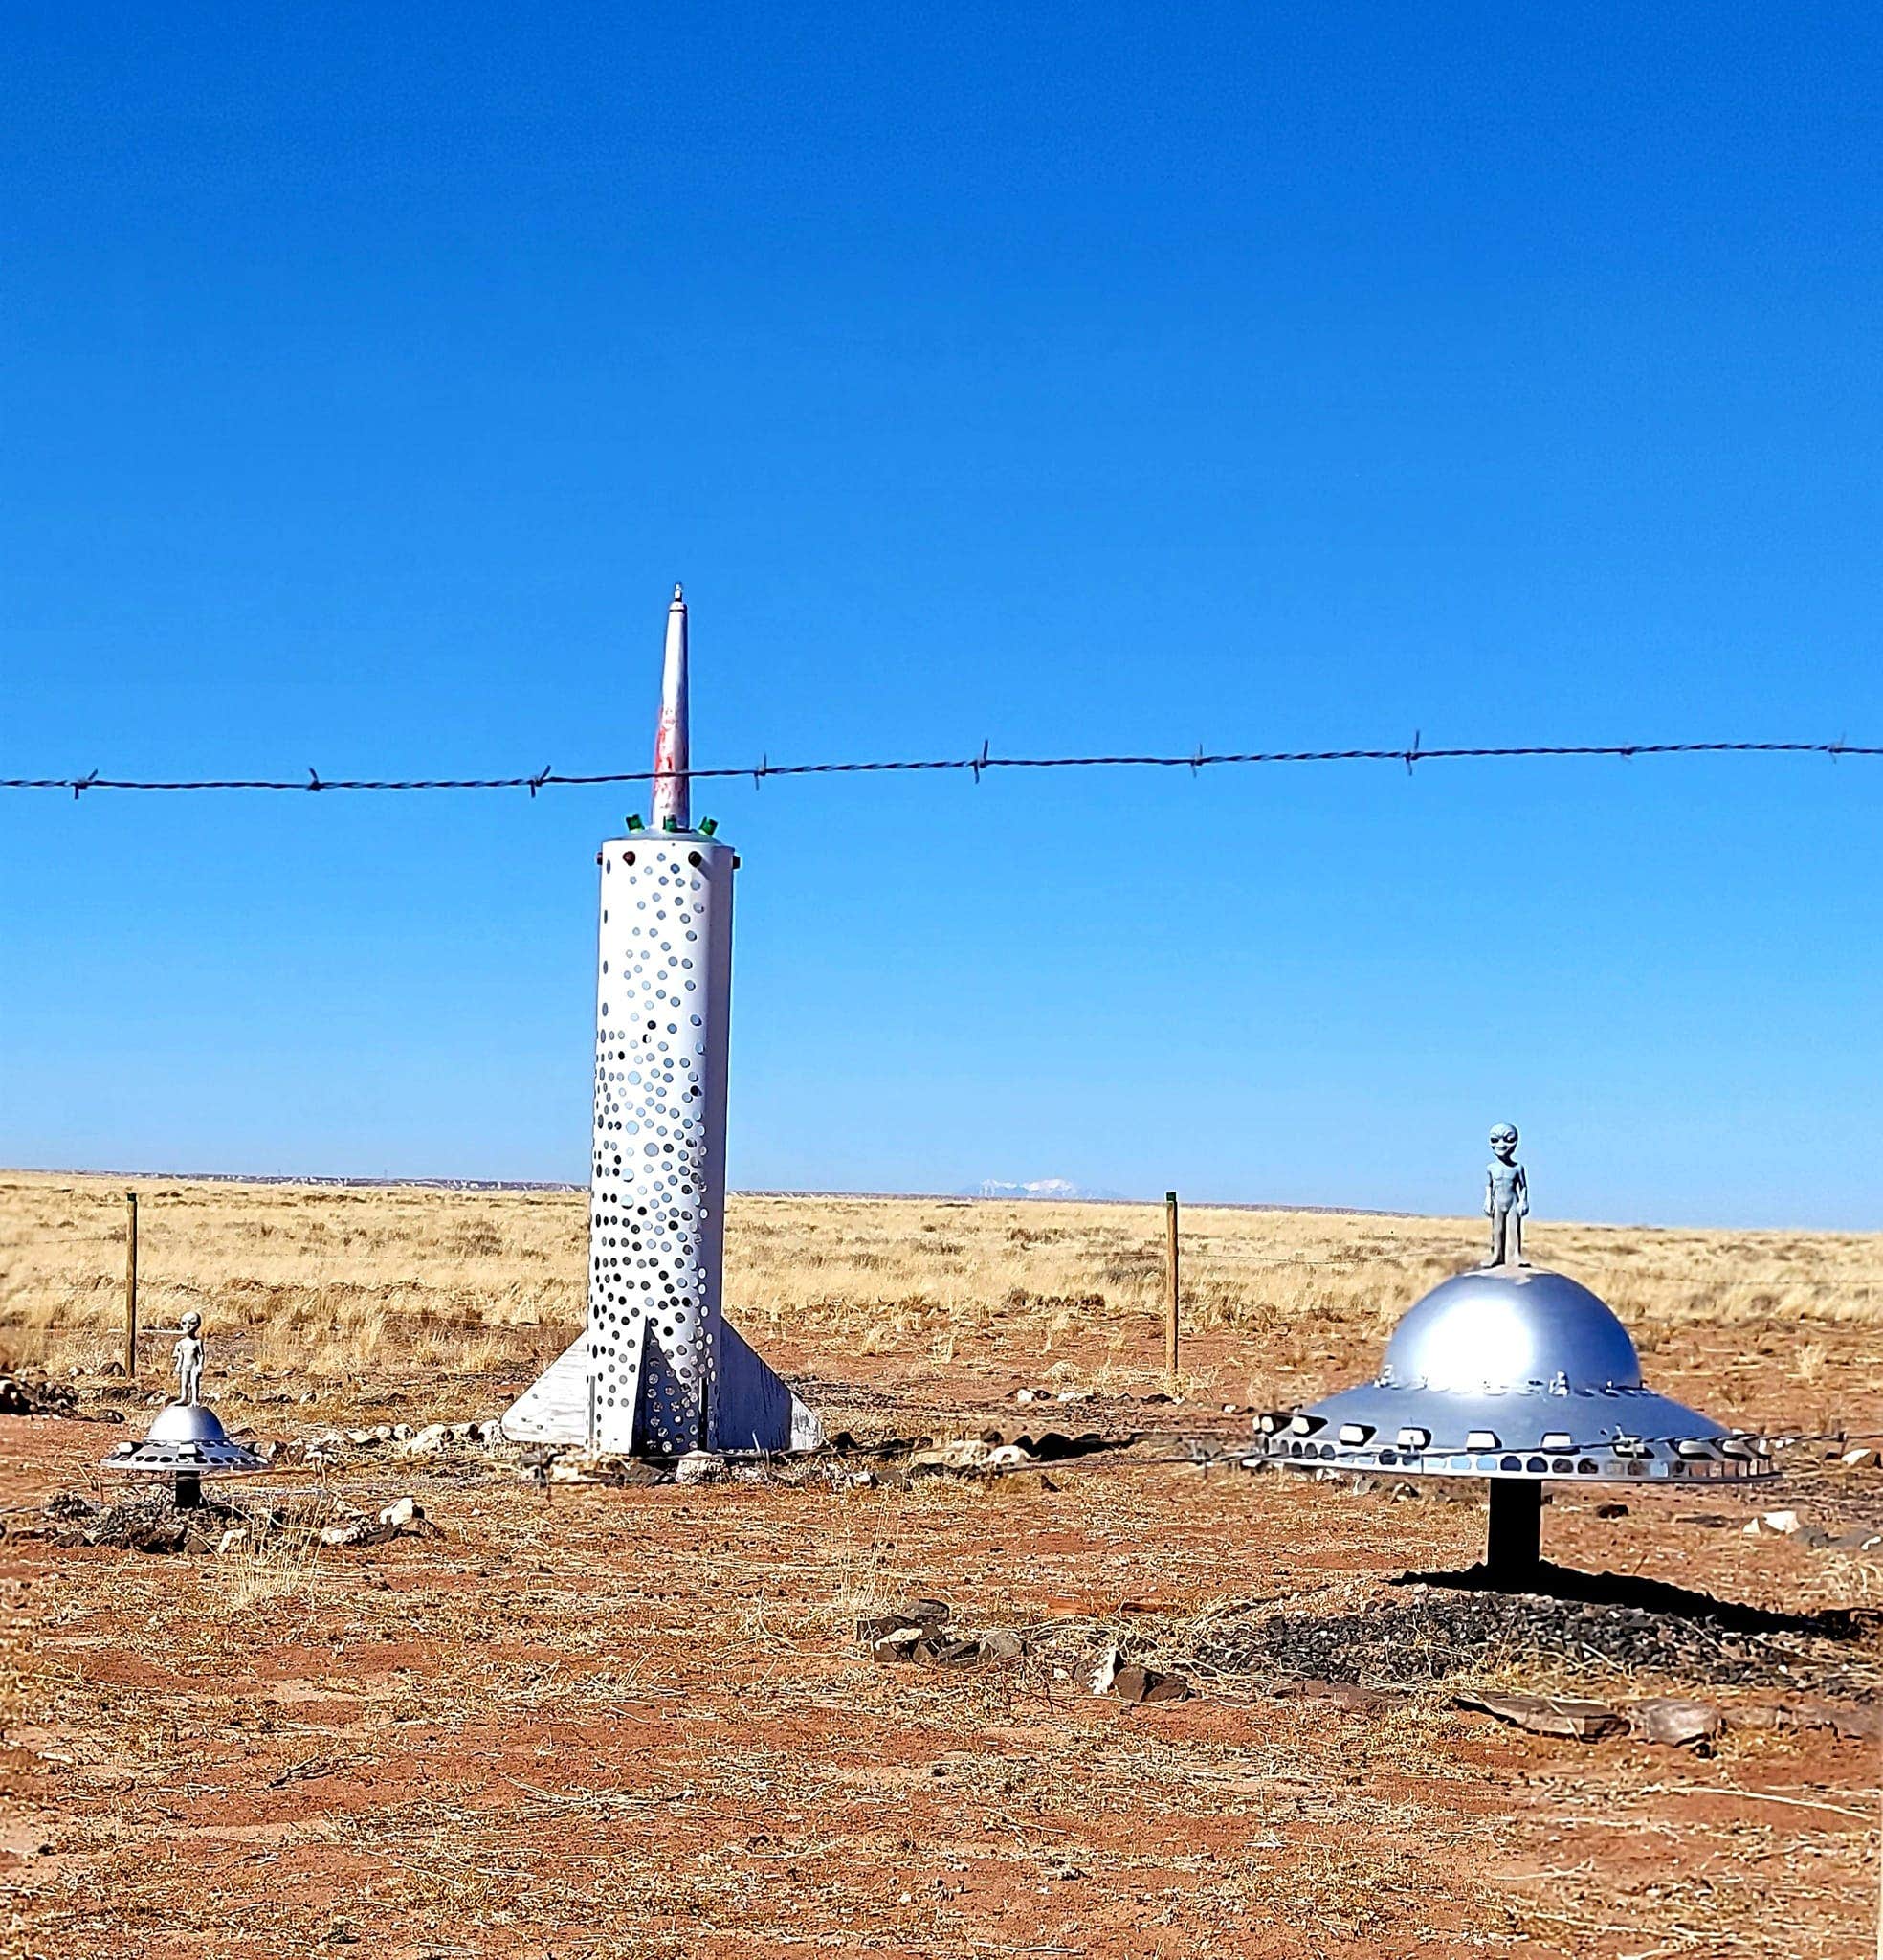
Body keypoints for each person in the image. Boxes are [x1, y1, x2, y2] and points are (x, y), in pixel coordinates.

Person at [1483, 1124, 1529, 1267]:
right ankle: (1497, 1255)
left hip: (1512, 1202)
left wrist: (1524, 1201)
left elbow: (1523, 1187)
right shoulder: (1491, 1168)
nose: (1502, 1145)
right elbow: (1489, 1185)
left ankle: (1516, 1255)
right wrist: (1488, 1200)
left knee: (1514, 1230)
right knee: (1497, 1230)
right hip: (1497, 1202)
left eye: (1508, 1139)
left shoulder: (1517, 1168)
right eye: (1496, 1140)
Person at [172, 1310, 205, 1406]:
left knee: (194, 1384)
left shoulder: (198, 1342)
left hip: (194, 1365)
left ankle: (194, 1399)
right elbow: (180, 1355)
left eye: (192, 1323)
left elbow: (201, 1354)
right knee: (184, 1383)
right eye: (184, 1323)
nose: (188, 1326)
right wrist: (178, 1364)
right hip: (184, 1365)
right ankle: (184, 1397)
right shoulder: (181, 1342)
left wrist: (200, 1365)